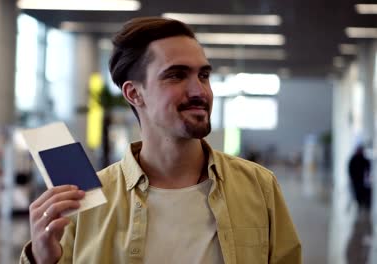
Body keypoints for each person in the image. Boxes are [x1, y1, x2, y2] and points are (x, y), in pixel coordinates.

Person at [20, 17, 301, 264]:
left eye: (203, 75)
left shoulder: (258, 186)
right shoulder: (84, 203)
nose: (199, 91)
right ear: (134, 94)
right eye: (176, 75)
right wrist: (42, 260)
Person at [348, 145, 371, 211]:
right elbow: (350, 169)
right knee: (357, 191)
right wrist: (351, 177)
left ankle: (362, 202)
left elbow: (368, 166)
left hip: (361, 179)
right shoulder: (353, 159)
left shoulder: (363, 158)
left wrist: (367, 175)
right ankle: (359, 202)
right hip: (355, 179)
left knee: (362, 191)